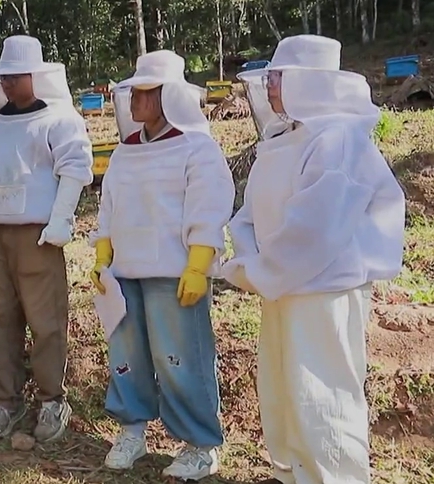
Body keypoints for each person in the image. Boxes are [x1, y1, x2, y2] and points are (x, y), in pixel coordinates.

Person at [225, 34, 405, 484]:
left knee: (323, 396)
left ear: (306, 82)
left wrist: (259, 270)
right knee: (283, 390)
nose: (269, 87)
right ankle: (293, 473)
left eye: (277, 77)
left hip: (323, 292)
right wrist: (252, 264)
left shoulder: (338, 140)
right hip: (281, 286)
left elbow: (315, 229)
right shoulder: (284, 139)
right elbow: (249, 215)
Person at [90, 50, 234, 480]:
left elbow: (209, 207)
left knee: (180, 360)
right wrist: (102, 256)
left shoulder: (197, 148)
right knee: (127, 357)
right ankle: (132, 431)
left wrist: (198, 265)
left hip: (175, 275)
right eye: (134, 91)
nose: (135, 99)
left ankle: (201, 446)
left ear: (169, 96)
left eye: (145, 91)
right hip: (124, 275)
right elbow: (108, 207)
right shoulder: (125, 150)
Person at [0, 35, 93, 442]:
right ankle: (8, 400)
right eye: (3, 77)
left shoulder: (61, 118)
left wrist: (60, 220)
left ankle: (51, 400)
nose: (7, 84)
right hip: (0, 234)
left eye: (15, 77)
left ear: (35, 75)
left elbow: (76, 168)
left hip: (40, 235)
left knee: (45, 321)